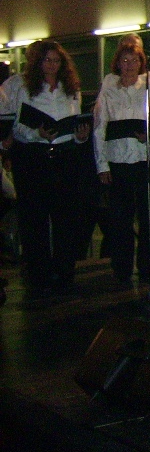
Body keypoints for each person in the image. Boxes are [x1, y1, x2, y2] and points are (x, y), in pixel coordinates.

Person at [0, 41, 91, 294]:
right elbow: (16, 126)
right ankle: (38, 274)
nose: (52, 65)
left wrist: (80, 136)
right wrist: (37, 133)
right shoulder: (22, 86)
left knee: (65, 218)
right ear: (38, 62)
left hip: (64, 156)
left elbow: (74, 121)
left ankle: (64, 271)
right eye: (47, 60)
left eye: (56, 61)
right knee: (34, 218)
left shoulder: (70, 88)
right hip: (34, 157)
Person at [93, 38, 150, 288]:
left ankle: (149, 267)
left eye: (134, 60)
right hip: (119, 160)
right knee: (120, 219)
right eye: (124, 60)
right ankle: (122, 268)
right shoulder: (109, 91)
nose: (129, 65)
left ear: (141, 63)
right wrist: (102, 164)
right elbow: (99, 129)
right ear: (117, 63)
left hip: (147, 158)